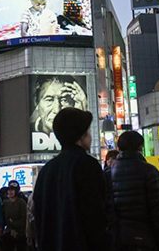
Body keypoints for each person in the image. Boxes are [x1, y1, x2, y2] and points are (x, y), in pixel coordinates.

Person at [32, 107, 107, 250]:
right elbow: (95, 217)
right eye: (88, 132)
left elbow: (39, 218)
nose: (90, 137)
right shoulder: (87, 165)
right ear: (80, 136)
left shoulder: (46, 171)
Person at [105, 130, 159, 251]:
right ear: (140, 147)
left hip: (118, 238)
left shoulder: (108, 174)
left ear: (119, 148)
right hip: (146, 237)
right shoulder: (149, 171)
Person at [1, 180, 27, 251]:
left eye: (12, 190)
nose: (10, 192)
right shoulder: (5, 202)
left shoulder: (21, 202)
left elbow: (24, 219)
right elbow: (4, 217)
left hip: (20, 232)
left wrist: (13, 223)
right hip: (8, 231)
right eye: (9, 190)